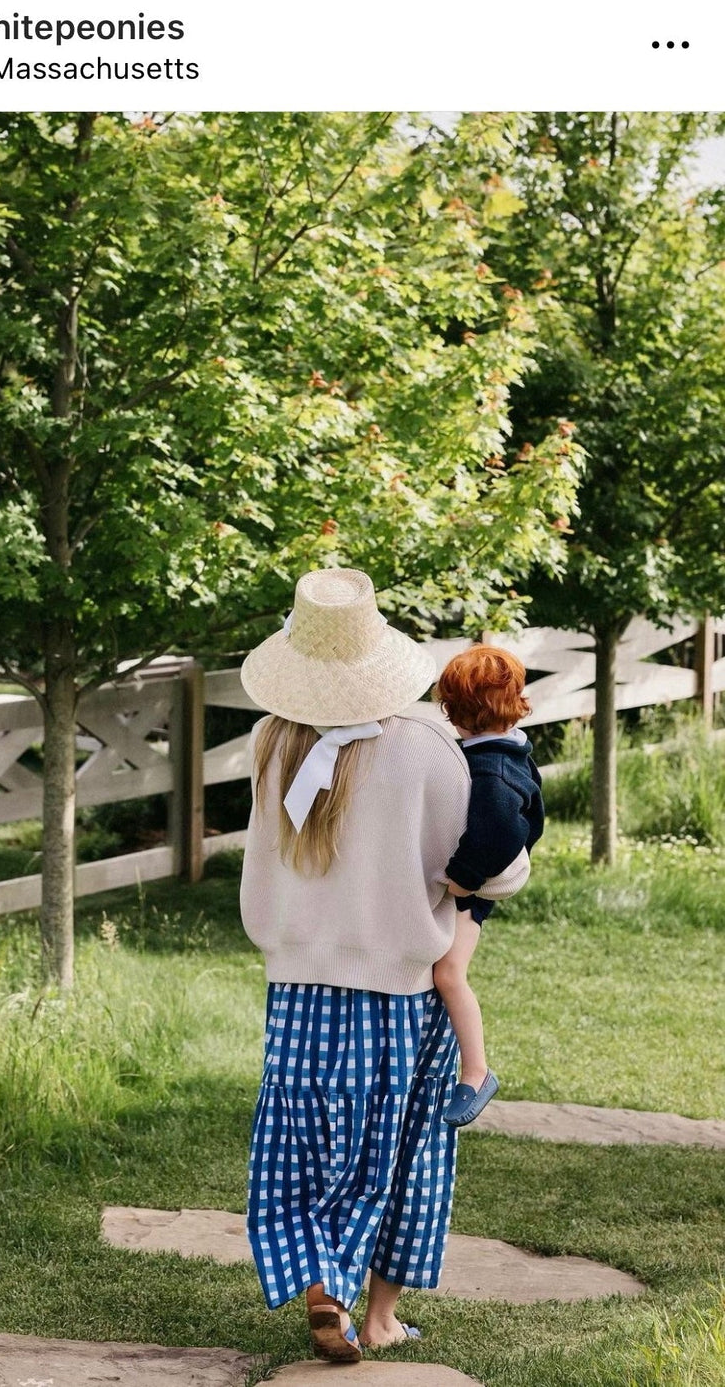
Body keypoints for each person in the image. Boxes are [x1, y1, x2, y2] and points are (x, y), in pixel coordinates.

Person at [239, 568, 529, 1363]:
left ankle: (321, 1280)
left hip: (296, 988)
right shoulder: (427, 746)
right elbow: (490, 867)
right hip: (398, 991)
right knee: (402, 1148)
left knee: (302, 1139)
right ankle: (379, 1317)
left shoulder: (268, 741)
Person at [432, 645, 544, 1127]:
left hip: (476, 886)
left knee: (449, 974)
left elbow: (503, 829)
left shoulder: (492, 769)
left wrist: (463, 878)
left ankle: (476, 1071)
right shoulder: (509, 749)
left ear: (456, 710)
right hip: (482, 881)